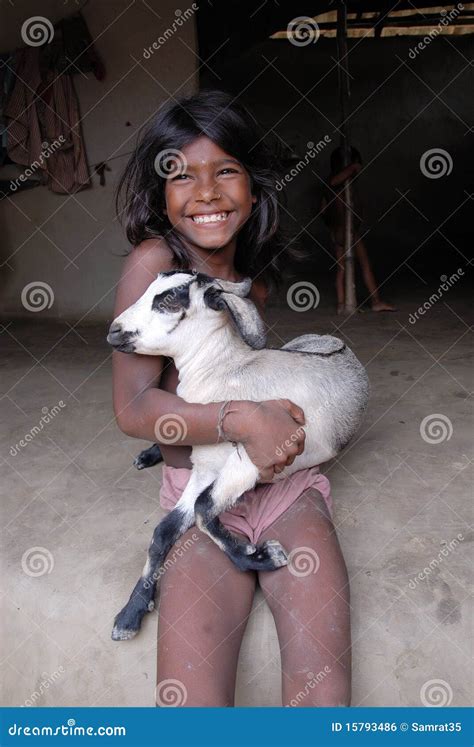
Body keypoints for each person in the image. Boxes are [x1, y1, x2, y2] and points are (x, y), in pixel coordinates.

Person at [112, 90, 351, 707]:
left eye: (226, 171)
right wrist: (240, 418)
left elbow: (252, 376)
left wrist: (279, 420)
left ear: (254, 185)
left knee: (322, 682)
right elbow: (135, 407)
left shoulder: (252, 281)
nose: (207, 192)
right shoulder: (154, 265)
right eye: (180, 175)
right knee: (190, 699)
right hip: (198, 500)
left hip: (286, 489)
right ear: (158, 193)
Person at [321, 146, 396, 314]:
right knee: (364, 264)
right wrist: (354, 167)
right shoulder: (335, 182)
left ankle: (342, 304)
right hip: (346, 231)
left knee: (343, 268)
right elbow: (334, 183)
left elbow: (323, 210)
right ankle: (375, 301)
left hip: (338, 232)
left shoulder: (336, 185)